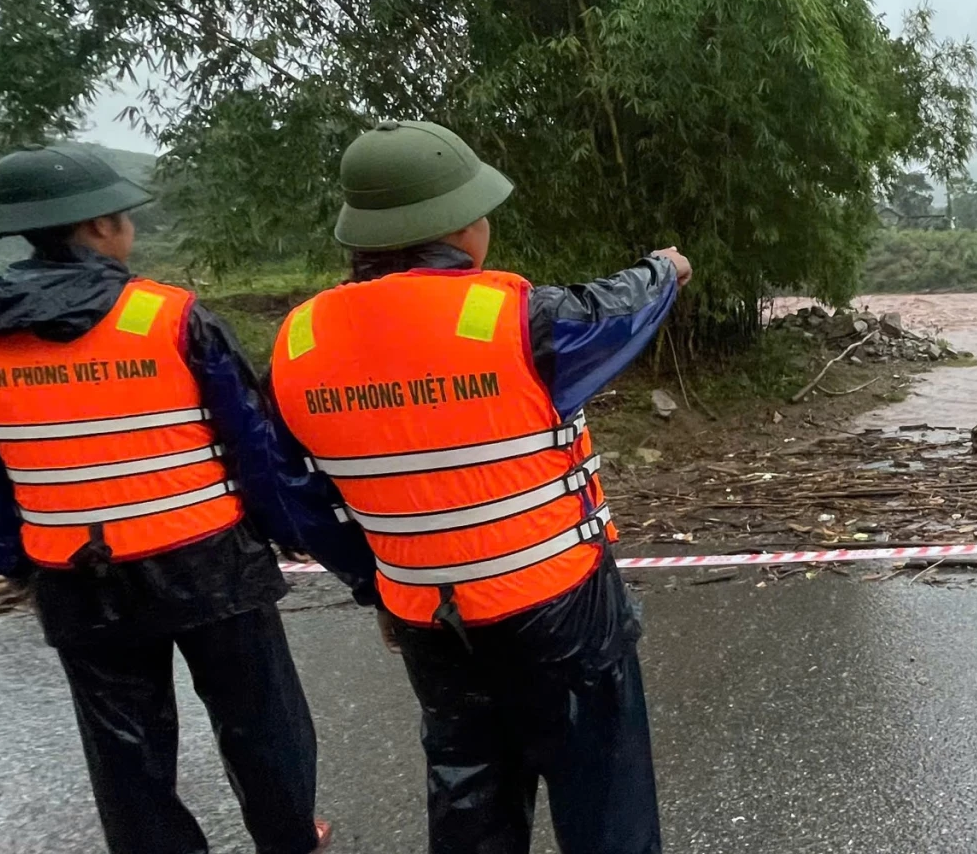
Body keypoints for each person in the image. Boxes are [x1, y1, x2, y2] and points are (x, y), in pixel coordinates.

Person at [268, 120, 688, 854]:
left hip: (431, 619)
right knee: (603, 801)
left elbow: (299, 499)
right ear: (461, 226)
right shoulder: (515, 320)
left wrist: (379, 582)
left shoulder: (299, 343)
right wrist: (665, 271)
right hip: (560, 608)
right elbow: (614, 313)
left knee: (470, 800)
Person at [0, 145, 335, 853]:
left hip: (75, 573)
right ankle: (289, 836)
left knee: (125, 746)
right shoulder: (169, 317)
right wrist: (286, 528)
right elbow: (249, 439)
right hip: (210, 560)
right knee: (261, 721)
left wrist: (5, 557)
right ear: (101, 226)